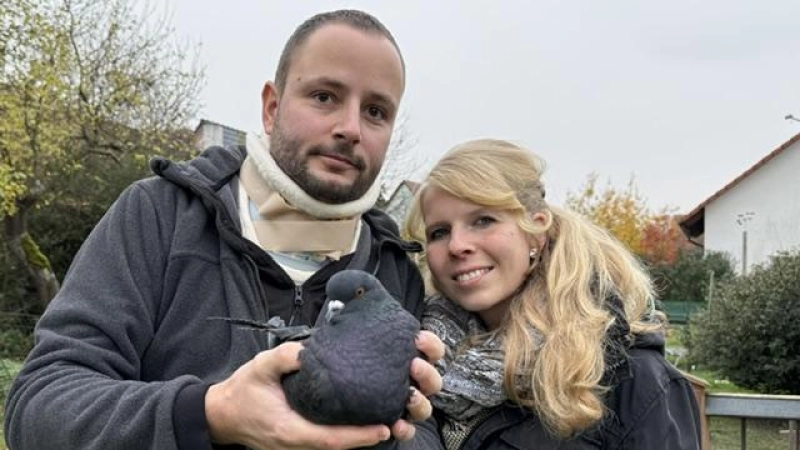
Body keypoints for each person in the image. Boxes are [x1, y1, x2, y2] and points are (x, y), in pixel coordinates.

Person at [4, 10, 445, 450]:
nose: (350, 128)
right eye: (324, 96)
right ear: (272, 108)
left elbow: (424, 431)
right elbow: (39, 408)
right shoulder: (160, 215)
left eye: (375, 111)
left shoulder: (395, 267)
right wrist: (208, 413)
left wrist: (391, 433)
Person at [403, 139, 702, 449]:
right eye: (439, 232)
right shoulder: (415, 362)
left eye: (483, 220)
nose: (456, 245)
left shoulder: (635, 382)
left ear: (536, 230)